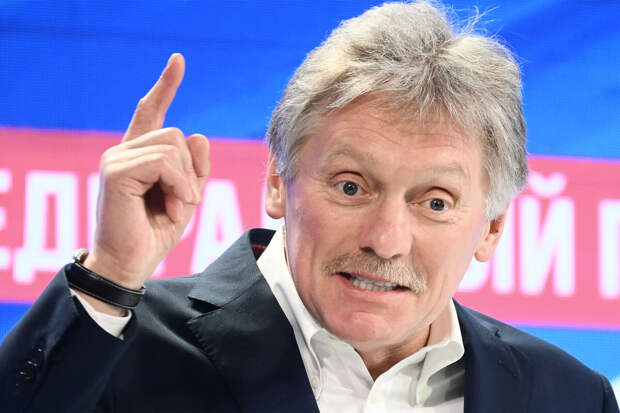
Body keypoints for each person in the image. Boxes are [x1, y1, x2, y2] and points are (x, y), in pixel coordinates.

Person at [0, 1, 618, 412]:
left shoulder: (568, 397)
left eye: (435, 201)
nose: (385, 238)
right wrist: (109, 273)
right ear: (278, 180)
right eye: (351, 187)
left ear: (492, 227)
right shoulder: (118, 345)